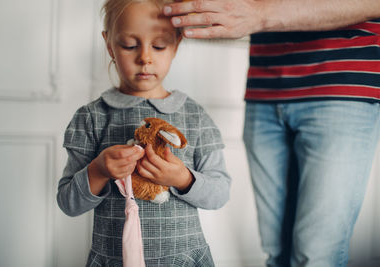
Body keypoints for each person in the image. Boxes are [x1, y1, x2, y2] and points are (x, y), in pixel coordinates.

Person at [163, 0, 380, 266]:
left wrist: (261, 14)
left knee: (318, 255)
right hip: (264, 87)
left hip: (342, 86)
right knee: (276, 253)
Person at [56, 0, 231, 266]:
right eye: (129, 45)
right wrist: (99, 170)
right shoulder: (91, 117)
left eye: (159, 46)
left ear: (176, 45)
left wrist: (182, 178)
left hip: (183, 259)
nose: (145, 58)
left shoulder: (196, 116)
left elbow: (219, 193)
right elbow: (69, 203)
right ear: (109, 45)